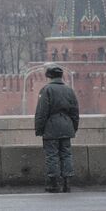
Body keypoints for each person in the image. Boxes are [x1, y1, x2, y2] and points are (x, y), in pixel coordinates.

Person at [35, 65, 79, 193]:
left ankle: (54, 184)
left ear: (49, 76)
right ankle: (67, 182)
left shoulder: (47, 89)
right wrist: (73, 128)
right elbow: (75, 112)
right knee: (66, 154)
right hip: (67, 126)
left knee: (52, 155)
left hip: (51, 127)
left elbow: (42, 112)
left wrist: (39, 129)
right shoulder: (69, 90)